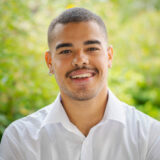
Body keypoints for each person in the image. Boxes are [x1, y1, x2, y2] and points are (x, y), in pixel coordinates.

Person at [0, 7, 160, 160]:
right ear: (49, 62)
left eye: (91, 48)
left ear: (109, 56)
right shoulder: (20, 139)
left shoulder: (150, 136)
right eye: (66, 51)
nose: (80, 60)